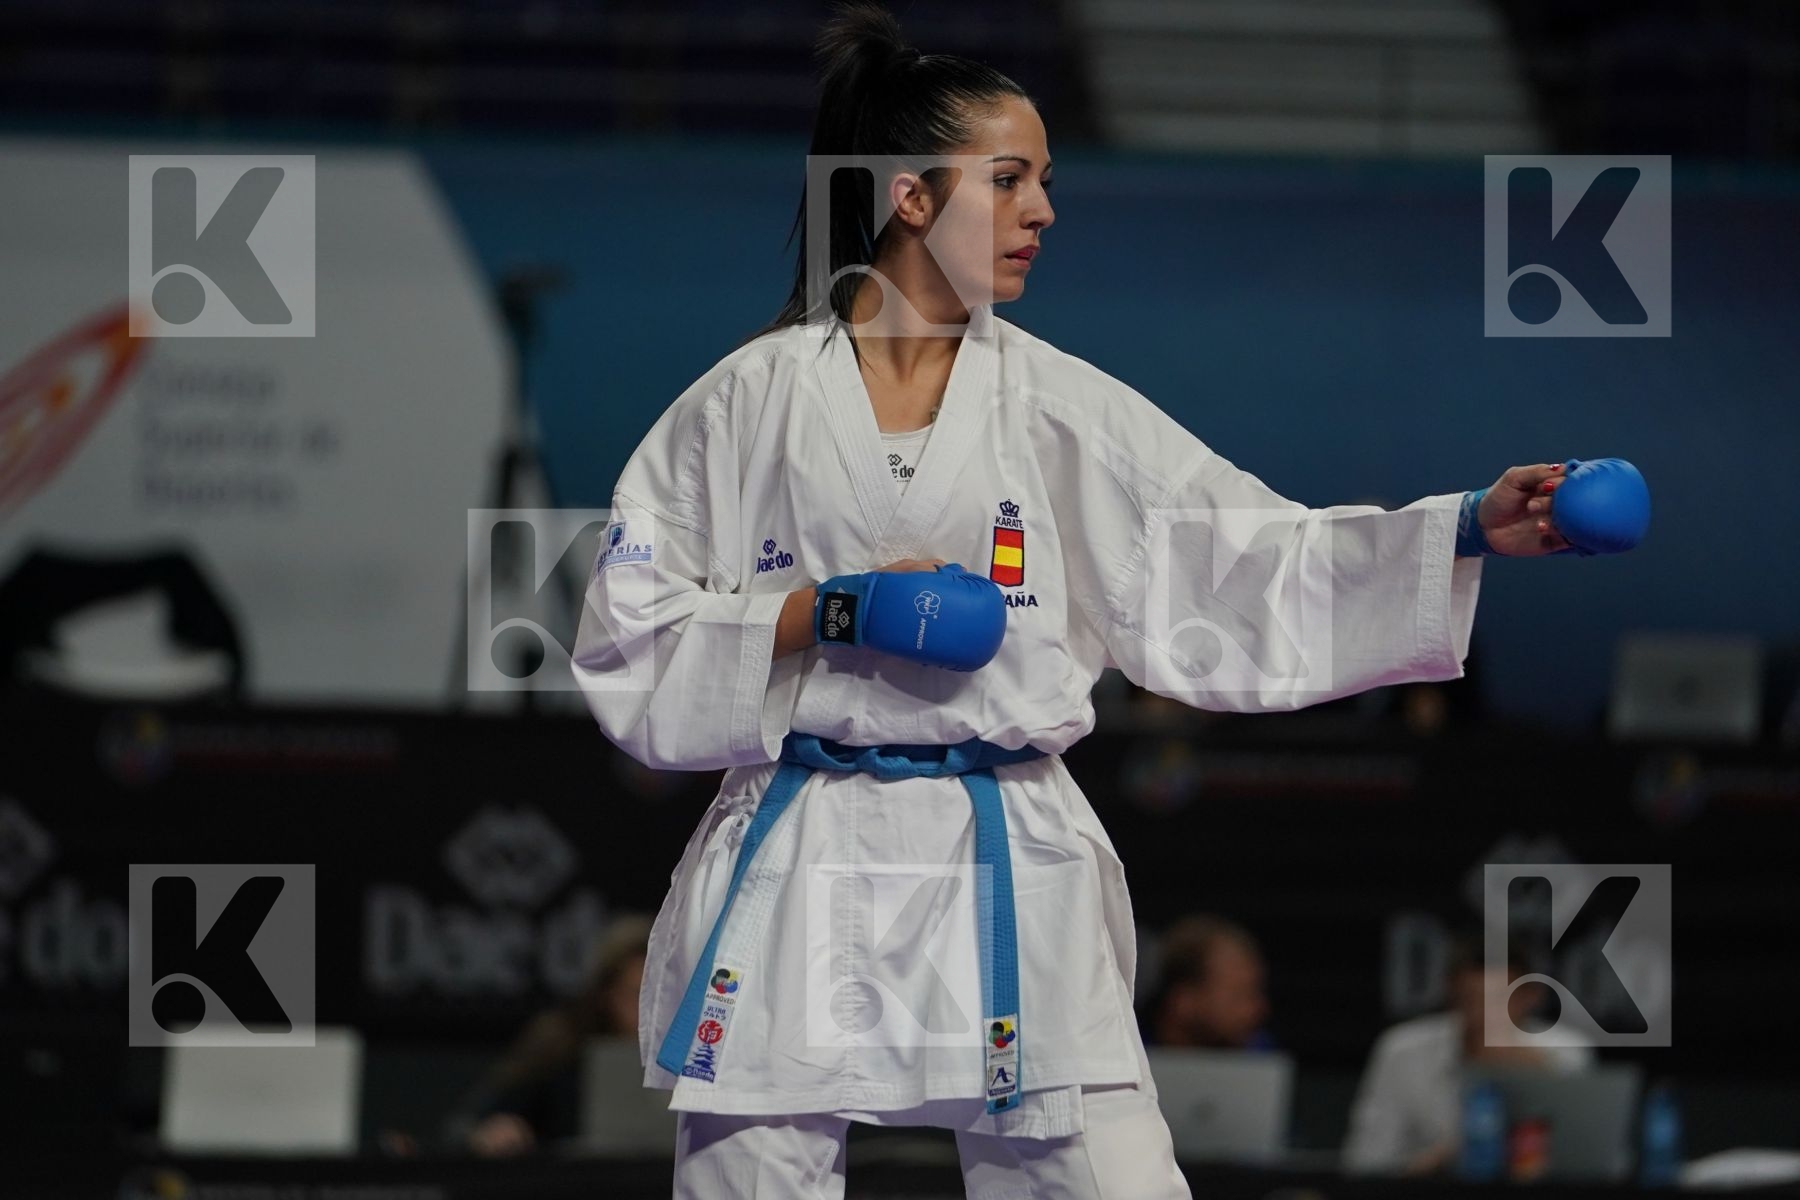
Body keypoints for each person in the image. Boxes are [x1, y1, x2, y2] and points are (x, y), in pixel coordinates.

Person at [571, 5, 1612, 1196]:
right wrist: (831, 611)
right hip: (802, 844)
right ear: (911, 197)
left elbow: (1245, 553)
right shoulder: (742, 404)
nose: (1043, 212)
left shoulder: (1059, 407)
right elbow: (627, 636)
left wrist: (1469, 525)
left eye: (1045, 182)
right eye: (1009, 180)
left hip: (1007, 847)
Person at [1341, 931, 1594, 1176]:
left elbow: (1584, 1159)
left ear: (1530, 997)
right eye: (1471, 999)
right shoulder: (1402, 1051)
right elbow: (1365, 1163)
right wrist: (1437, 1162)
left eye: (1499, 1000)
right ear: (1451, 993)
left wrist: (1536, 1073)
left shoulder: (1565, 1051)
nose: (1485, 1015)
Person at [444, 915, 651, 1157]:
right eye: (638, 995)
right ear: (606, 995)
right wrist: (489, 1131)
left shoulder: (698, 1054)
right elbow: (469, 1124)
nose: (653, 1011)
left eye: (665, 995)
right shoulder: (562, 1044)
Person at [1140, 916, 1274, 1051]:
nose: (1259, 1009)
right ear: (1183, 999)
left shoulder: (1262, 1053)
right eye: (1238, 995)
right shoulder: (1127, 1054)